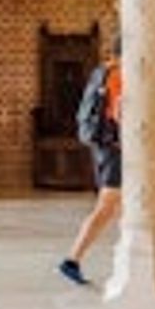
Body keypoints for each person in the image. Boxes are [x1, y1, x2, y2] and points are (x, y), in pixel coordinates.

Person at [58, 36, 121, 286]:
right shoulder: (118, 75)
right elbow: (119, 113)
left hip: (104, 146)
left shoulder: (102, 71)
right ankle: (72, 260)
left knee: (118, 207)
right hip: (114, 149)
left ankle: (126, 257)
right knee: (106, 207)